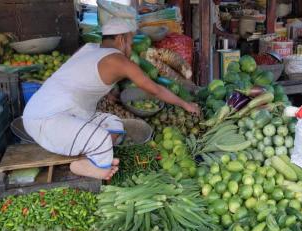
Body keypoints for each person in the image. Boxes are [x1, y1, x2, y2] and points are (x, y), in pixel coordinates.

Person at [22, 17, 200, 180]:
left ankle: (89, 154)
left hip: (66, 113)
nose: (130, 48)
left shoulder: (89, 49)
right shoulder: (119, 61)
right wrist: (185, 104)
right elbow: (154, 89)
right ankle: (85, 166)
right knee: (102, 139)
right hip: (46, 120)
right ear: (121, 39)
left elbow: (83, 77)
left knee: (114, 123)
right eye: (130, 42)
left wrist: (109, 91)